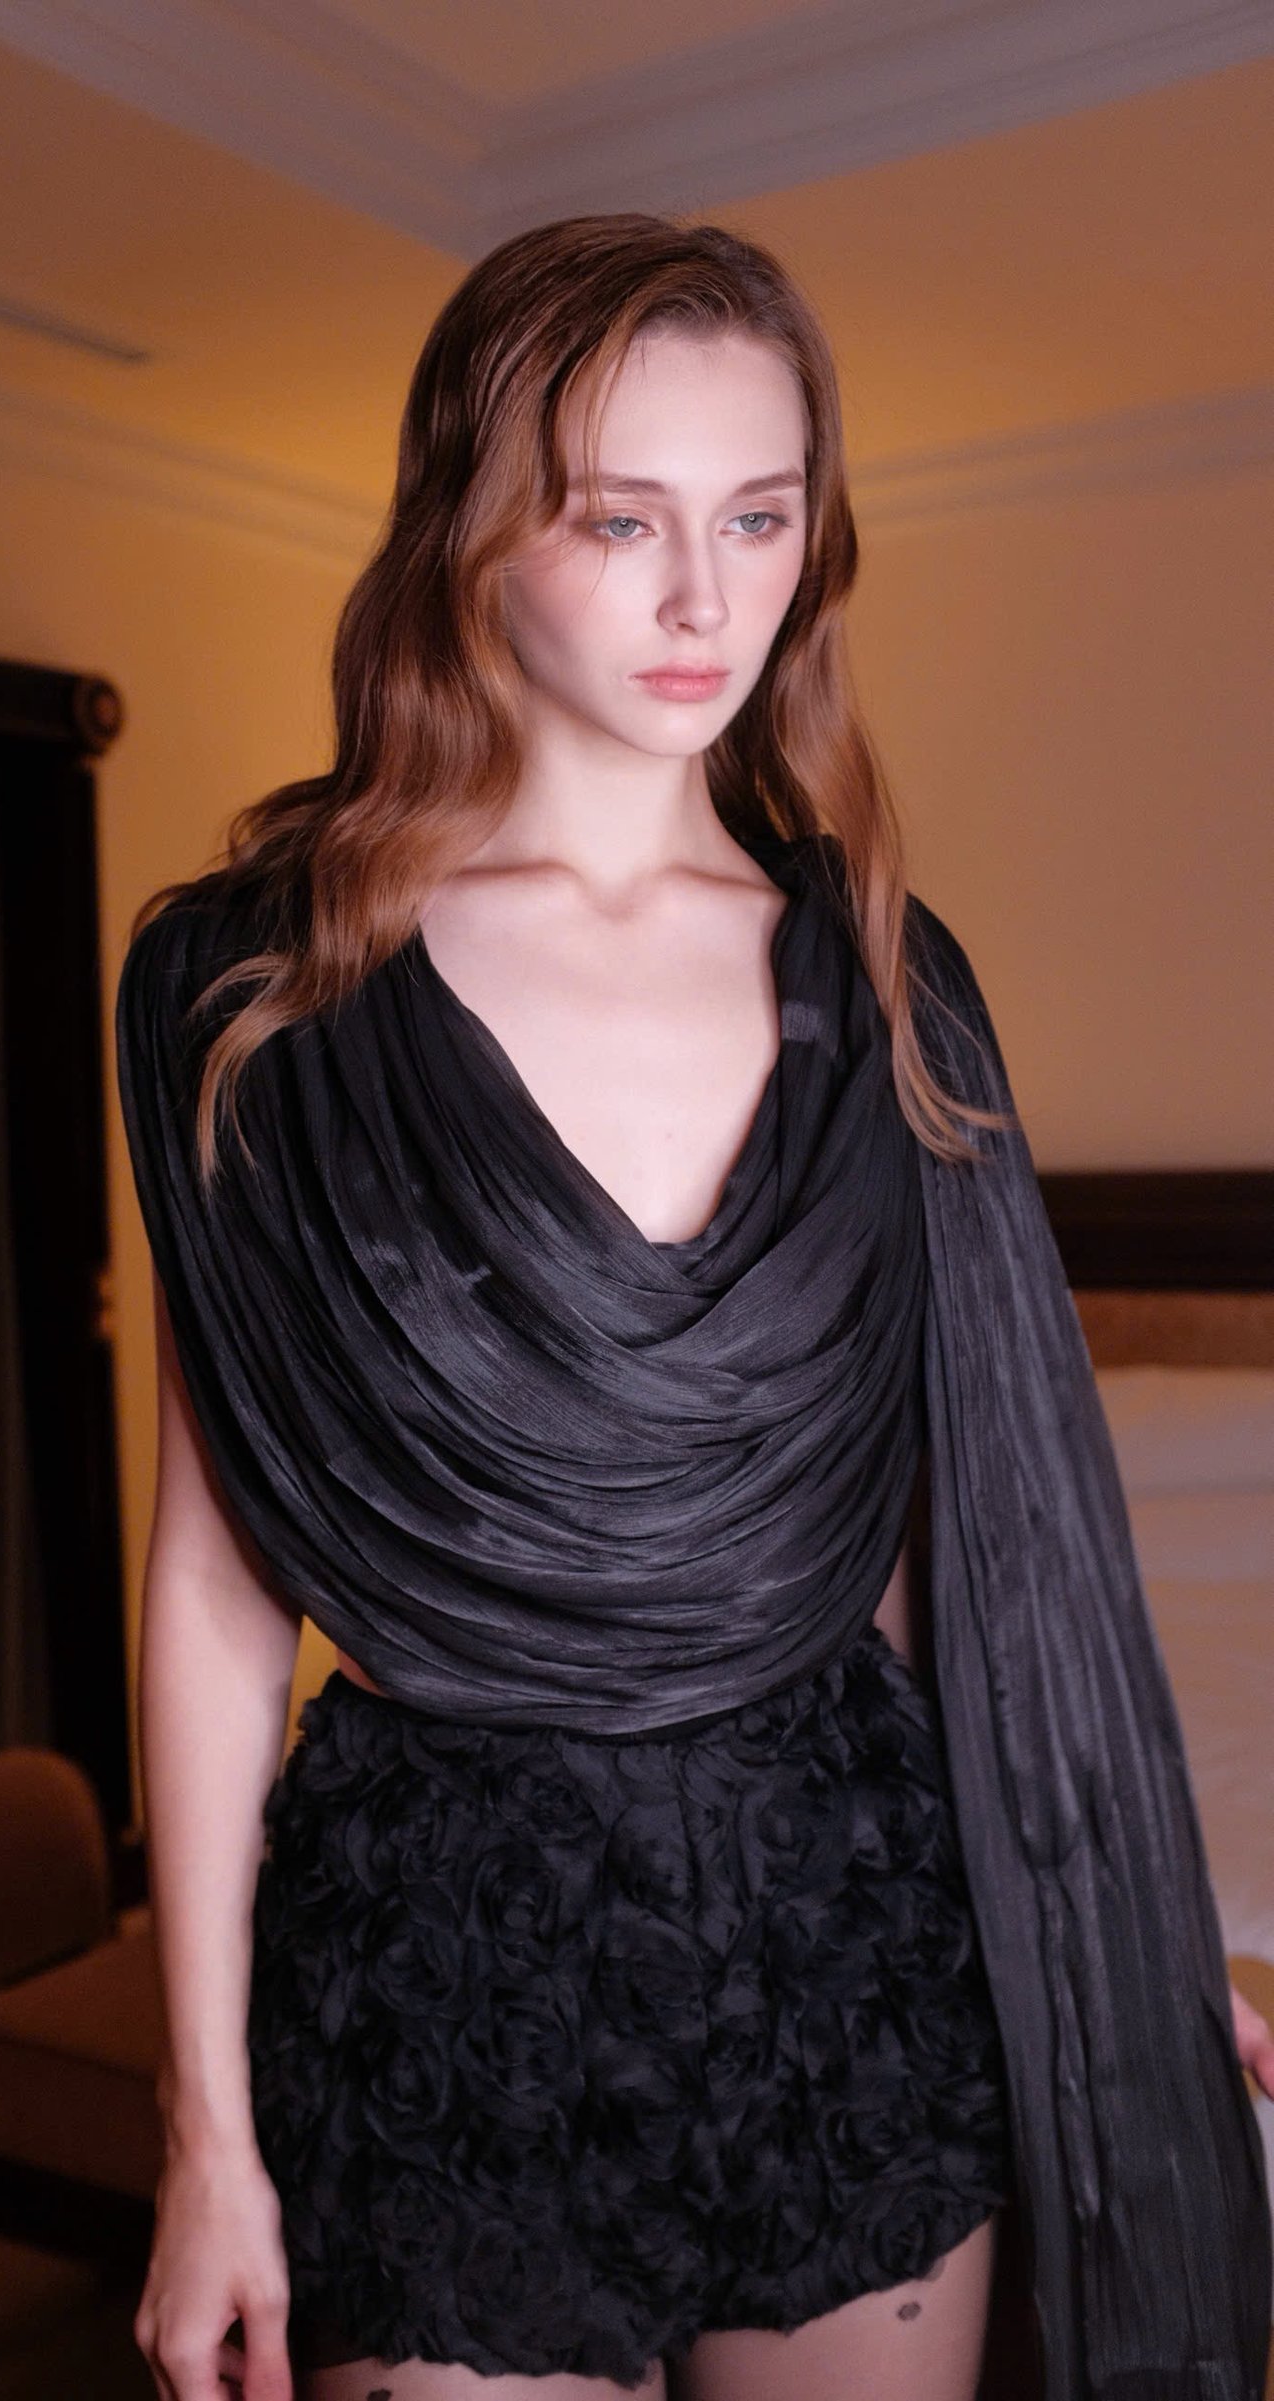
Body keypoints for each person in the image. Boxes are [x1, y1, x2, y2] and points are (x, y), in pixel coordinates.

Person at [115, 215, 1274, 2401]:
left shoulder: (891, 980)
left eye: (756, 518)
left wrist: (1102, 1939)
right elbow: (214, 1579)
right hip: (447, 1955)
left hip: (851, 1930)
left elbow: (951, 1545)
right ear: (468, 526)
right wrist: (206, 2129)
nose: (701, 600)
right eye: (618, 518)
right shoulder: (254, 995)